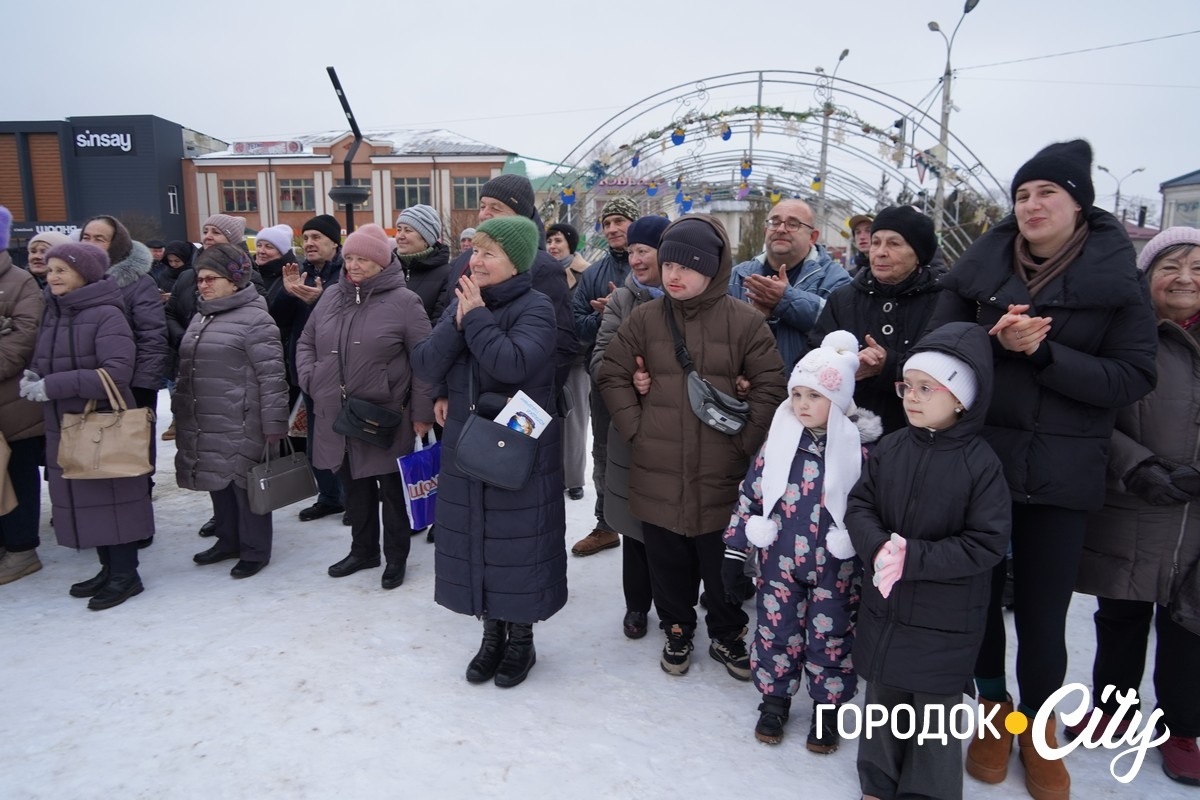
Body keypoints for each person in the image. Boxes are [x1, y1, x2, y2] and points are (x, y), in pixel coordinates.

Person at [924, 139, 1158, 800]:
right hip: (979, 464)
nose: (1031, 205)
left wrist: (1048, 352)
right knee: (977, 602)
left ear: (1079, 203)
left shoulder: (1117, 281)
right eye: (1023, 194)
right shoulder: (980, 269)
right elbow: (936, 352)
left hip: (1063, 472)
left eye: (1046, 193)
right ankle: (996, 713)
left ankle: (1039, 729)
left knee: (1043, 613)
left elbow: (1134, 376)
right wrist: (987, 342)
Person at [597, 215, 786, 679]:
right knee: (666, 561)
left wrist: (744, 442)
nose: (674, 276)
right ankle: (677, 627)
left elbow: (770, 387)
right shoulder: (644, 319)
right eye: (669, 265)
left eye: (689, 267)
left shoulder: (744, 322)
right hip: (657, 470)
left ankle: (726, 632)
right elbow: (611, 372)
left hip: (721, 476)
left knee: (721, 564)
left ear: (715, 269)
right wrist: (636, 429)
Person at [846, 321, 1011, 800]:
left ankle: (929, 789)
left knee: (935, 711)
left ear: (961, 399)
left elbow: (987, 542)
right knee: (883, 696)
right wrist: (877, 545)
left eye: (926, 388)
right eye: (907, 386)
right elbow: (860, 505)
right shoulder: (893, 446)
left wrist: (913, 556)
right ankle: (877, 780)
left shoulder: (980, 463)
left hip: (946, 616)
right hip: (887, 605)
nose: (911, 398)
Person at [412, 215, 566, 688]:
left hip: (516, 447)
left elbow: (513, 363)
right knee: (476, 538)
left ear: (515, 262)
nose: (476, 260)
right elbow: (425, 362)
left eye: (488, 253)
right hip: (465, 442)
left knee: (516, 543)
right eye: (475, 251)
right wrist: (460, 322)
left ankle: (521, 639)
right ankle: (490, 634)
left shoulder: (537, 307)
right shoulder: (465, 301)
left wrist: (474, 318)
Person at [1073, 226, 1200, 786]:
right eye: (1170, 266)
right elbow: (1092, 410)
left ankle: (1181, 727)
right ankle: (1114, 708)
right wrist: (1136, 465)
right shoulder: (1123, 335)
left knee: (1189, 619)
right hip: (1132, 496)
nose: (1185, 278)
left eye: (1197, 267)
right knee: (1120, 610)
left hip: (1195, 511)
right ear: (1146, 277)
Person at [723, 330, 882, 750]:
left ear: (840, 399)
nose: (802, 405)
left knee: (830, 637)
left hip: (836, 565)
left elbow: (873, 509)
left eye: (814, 396)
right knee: (777, 630)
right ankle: (774, 700)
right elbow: (752, 494)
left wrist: (873, 555)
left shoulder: (861, 454)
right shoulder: (779, 445)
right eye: (796, 395)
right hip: (779, 562)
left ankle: (827, 708)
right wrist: (736, 546)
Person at [297, 224, 434, 590]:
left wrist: (421, 414)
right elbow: (306, 340)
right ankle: (363, 551)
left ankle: (396, 557)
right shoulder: (330, 296)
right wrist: (311, 377)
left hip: (384, 415)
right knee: (353, 487)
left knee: (391, 491)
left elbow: (424, 362)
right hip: (336, 414)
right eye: (350, 258)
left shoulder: (406, 302)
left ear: (382, 262)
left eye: (363, 259)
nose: (354, 266)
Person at [21, 242, 155, 610]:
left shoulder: (106, 314)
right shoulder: (56, 310)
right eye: (50, 271)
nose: (53, 277)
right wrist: (36, 372)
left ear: (86, 273)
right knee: (87, 498)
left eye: (62, 270)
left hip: (102, 423)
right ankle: (108, 568)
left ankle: (126, 574)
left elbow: (116, 372)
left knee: (114, 498)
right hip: (66, 421)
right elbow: (48, 356)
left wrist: (52, 385)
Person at [174, 244, 289, 579]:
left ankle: (255, 550)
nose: (203, 284)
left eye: (212, 278)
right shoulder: (201, 316)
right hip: (206, 418)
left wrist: (273, 423)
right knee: (217, 482)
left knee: (245, 486)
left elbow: (272, 376)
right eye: (200, 278)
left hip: (243, 420)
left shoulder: (256, 319)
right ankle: (228, 540)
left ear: (235, 280)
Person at [589, 214, 668, 639]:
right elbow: (600, 360)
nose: (636, 259)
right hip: (635, 428)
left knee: (676, 525)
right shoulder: (624, 300)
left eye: (645, 250)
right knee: (638, 527)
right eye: (632, 251)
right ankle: (637, 606)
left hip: (682, 432)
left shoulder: (693, 297)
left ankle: (678, 610)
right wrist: (631, 377)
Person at [810, 206, 943, 434]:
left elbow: (946, 371)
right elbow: (811, 359)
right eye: (876, 242)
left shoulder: (943, 301)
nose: (880, 252)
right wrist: (846, 364)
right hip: (849, 435)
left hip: (920, 436)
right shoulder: (843, 299)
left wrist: (888, 366)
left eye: (894, 244)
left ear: (918, 253)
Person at [572, 196, 639, 556]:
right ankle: (605, 523)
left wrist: (628, 306)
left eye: (620, 221)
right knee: (603, 449)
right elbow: (576, 324)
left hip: (651, 379)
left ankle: (651, 522)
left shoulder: (654, 266)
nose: (612, 229)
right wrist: (605, 316)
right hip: (604, 378)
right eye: (606, 222)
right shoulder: (594, 274)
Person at [277, 214, 346, 523]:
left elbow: (352, 317)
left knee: (344, 438)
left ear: (335, 242)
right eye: (305, 238)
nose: (310, 243)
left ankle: (354, 498)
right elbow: (276, 317)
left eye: (317, 237)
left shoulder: (347, 272)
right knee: (315, 438)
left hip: (342, 370)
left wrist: (322, 299)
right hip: (307, 369)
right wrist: (286, 291)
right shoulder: (299, 273)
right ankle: (330, 496)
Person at [728, 198, 851, 370]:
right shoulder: (738, 275)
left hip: (804, 391)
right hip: (747, 391)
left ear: (813, 237)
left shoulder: (836, 279)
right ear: (766, 230)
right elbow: (719, 335)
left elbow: (842, 329)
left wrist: (785, 300)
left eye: (793, 224)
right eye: (774, 222)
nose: (781, 229)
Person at [80, 215, 169, 414]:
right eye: (86, 237)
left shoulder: (139, 284)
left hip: (127, 387)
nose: (91, 244)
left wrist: (143, 387)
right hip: (81, 385)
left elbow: (152, 337)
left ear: (116, 244)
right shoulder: (72, 280)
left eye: (99, 239)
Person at [0, 207, 47, 585]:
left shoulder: (19, 283)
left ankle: (21, 549)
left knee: (17, 473)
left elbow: (22, 341)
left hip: (12, 404)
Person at [547, 221, 590, 502]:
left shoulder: (586, 274)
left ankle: (574, 479)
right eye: (549, 241)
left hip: (575, 359)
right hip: (546, 357)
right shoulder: (539, 272)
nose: (553, 246)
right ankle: (550, 474)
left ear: (570, 245)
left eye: (558, 241)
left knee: (574, 421)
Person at [393, 204, 451, 324]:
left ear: (426, 240)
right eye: (399, 230)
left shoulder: (447, 275)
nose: (400, 236)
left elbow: (440, 324)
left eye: (408, 230)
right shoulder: (387, 269)